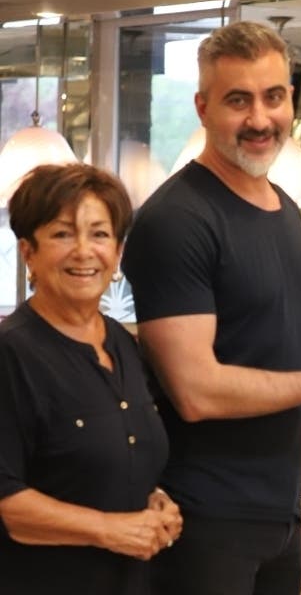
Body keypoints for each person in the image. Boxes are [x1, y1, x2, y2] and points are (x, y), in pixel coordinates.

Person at [120, 20, 301, 595]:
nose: (259, 119)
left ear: (291, 101)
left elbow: (285, 366)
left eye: (273, 97)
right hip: (200, 521)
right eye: (237, 100)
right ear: (202, 108)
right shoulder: (178, 221)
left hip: (277, 519)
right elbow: (197, 392)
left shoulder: (283, 209)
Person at [0, 163, 183, 595]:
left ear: (117, 252)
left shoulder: (122, 342)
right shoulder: (11, 353)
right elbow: (7, 502)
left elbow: (107, 457)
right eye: (63, 234)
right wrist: (109, 528)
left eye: (99, 234)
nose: (84, 251)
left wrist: (154, 500)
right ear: (29, 252)